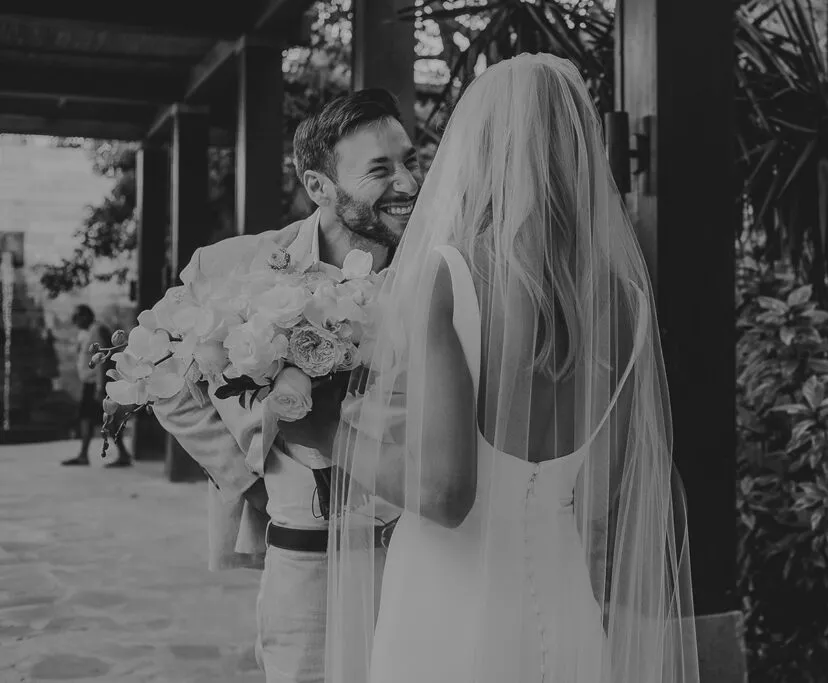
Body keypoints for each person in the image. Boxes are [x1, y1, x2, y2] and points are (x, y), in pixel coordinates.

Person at [309, 54, 699, 683]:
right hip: (565, 601)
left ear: (482, 150)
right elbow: (602, 493)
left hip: (450, 608)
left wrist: (325, 426)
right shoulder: (625, 299)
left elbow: (443, 495)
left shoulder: (451, 274)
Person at [150, 89, 419, 683]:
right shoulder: (234, 267)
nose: (406, 183)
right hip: (305, 551)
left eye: (410, 161)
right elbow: (155, 373)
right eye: (380, 169)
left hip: (424, 554)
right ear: (319, 186)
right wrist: (249, 475)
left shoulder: (438, 271)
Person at [61, 304, 132, 467]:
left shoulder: (97, 330)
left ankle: (119, 454)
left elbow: (102, 361)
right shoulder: (86, 333)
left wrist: (101, 387)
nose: (75, 321)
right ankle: (86, 454)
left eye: (77, 317)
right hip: (90, 383)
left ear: (85, 316)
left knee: (104, 418)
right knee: (91, 418)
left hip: (97, 384)